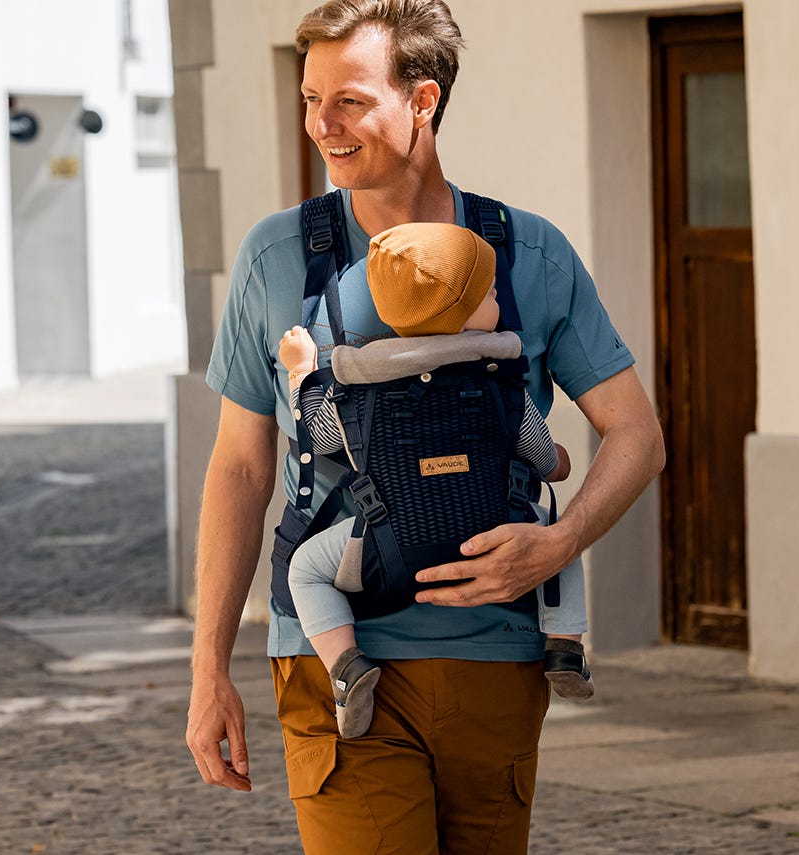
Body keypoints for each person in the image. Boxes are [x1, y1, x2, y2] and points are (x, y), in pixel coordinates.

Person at [184, 1, 665, 851]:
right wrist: (207, 666)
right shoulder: (277, 256)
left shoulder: (527, 254)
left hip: (497, 655)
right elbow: (240, 470)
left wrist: (558, 546)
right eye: (309, 99)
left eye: (349, 101)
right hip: (336, 661)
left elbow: (635, 433)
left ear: (423, 101)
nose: (321, 126)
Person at [277, 221, 592, 741]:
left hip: (388, 547)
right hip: (492, 535)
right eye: (489, 291)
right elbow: (542, 461)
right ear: (465, 311)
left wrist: (303, 372)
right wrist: (559, 460)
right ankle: (564, 644)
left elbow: (324, 443)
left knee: (306, 570)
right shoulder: (501, 384)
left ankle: (346, 666)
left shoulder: (363, 391)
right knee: (559, 539)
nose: (497, 297)